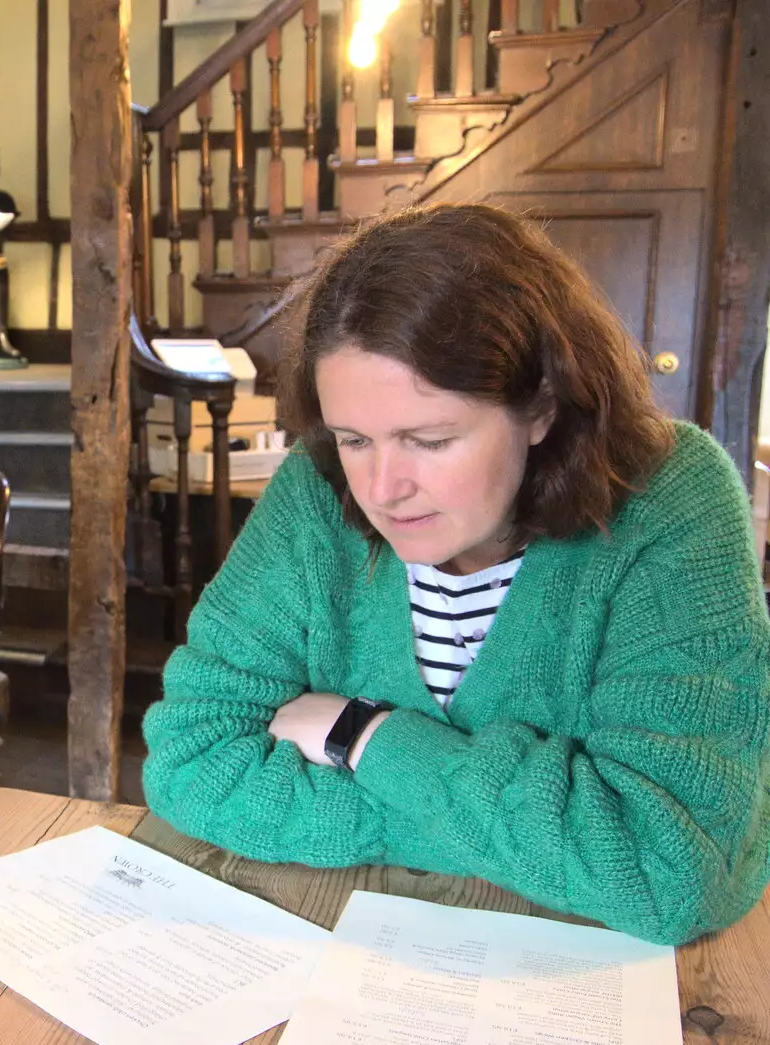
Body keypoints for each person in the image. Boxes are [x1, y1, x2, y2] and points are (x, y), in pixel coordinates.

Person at [142, 202, 770, 946]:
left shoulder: (670, 500)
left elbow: (673, 871)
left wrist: (366, 736)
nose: (380, 488)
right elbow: (189, 760)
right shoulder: (316, 495)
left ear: (540, 405)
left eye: (429, 439)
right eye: (353, 438)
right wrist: (539, 833)